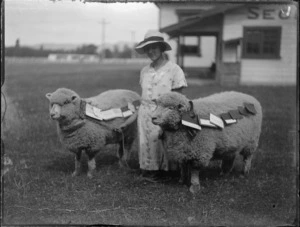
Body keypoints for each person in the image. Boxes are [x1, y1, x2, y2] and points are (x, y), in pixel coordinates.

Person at [115, 30, 188, 181]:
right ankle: (149, 170)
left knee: (162, 140)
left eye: (154, 47)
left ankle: (167, 173)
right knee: (146, 142)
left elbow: (178, 99)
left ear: (161, 48)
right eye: (148, 48)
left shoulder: (174, 70)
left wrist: (171, 118)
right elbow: (143, 97)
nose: (151, 51)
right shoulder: (145, 71)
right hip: (145, 112)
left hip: (164, 113)